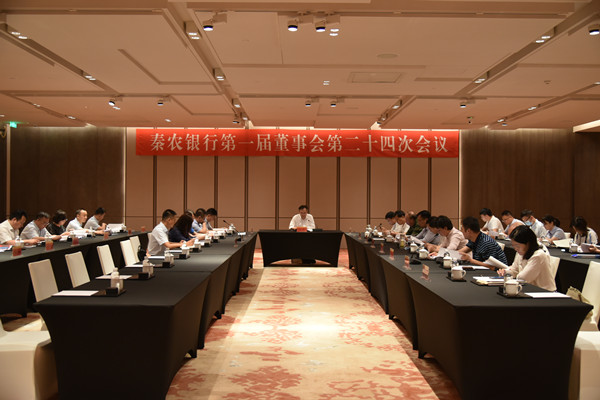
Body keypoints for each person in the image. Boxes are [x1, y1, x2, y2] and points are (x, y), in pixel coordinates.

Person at [498, 225, 556, 291]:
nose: (516, 249)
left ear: (528, 243)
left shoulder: (539, 255)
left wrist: (513, 274)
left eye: (517, 246)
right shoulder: (521, 252)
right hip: (530, 290)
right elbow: (515, 270)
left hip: (544, 292)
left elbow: (523, 279)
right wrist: (506, 272)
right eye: (514, 246)